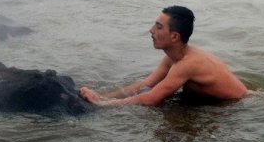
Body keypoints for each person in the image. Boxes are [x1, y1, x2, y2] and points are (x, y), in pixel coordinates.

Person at [79, 6, 247, 106]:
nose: (151, 30)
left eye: (158, 27)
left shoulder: (187, 64)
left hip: (241, 105)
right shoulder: (174, 57)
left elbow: (151, 99)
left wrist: (101, 105)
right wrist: (102, 96)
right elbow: (146, 84)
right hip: (224, 101)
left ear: (174, 36)